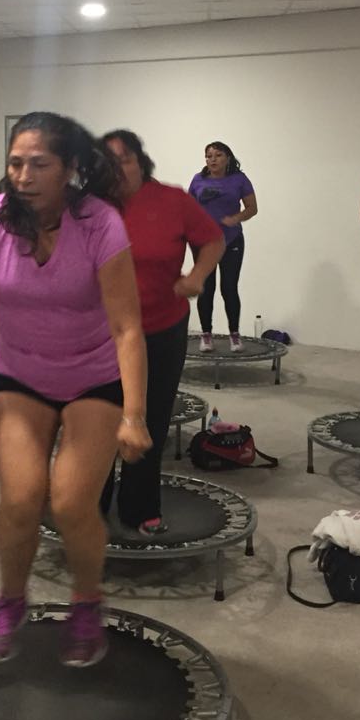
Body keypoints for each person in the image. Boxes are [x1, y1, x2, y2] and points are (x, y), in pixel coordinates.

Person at [0, 112, 152, 668]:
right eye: (16, 163)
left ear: (69, 168)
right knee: (20, 501)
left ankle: (86, 602)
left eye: (39, 164)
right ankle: (11, 602)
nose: (23, 175)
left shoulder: (100, 223)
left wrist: (133, 414)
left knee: (70, 502)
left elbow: (126, 327)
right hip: (20, 375)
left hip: (93, 376)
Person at [102, 130, 225, 534]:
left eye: (124, 159)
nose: (117, 169)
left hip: (161, 329)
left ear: (140, 162)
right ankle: (91, 504)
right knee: (99, 419)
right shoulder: (91, 207)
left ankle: (139, 507)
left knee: (150, 419)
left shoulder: (172, 200)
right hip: (102, 334)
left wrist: (197, 276)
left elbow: (213, 240)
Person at [188, 142, 258, 352]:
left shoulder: (239, 179)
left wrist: (235, 218)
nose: (213, 159)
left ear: (228, 158)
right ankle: (206, 335)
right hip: (204, 244)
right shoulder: (198, 180)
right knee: (206, 288)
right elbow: (188, 208)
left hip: (231, 240)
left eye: (218, 155)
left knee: (229, 288)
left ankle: (234, 335)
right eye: (208, 156)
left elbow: (252, 208)